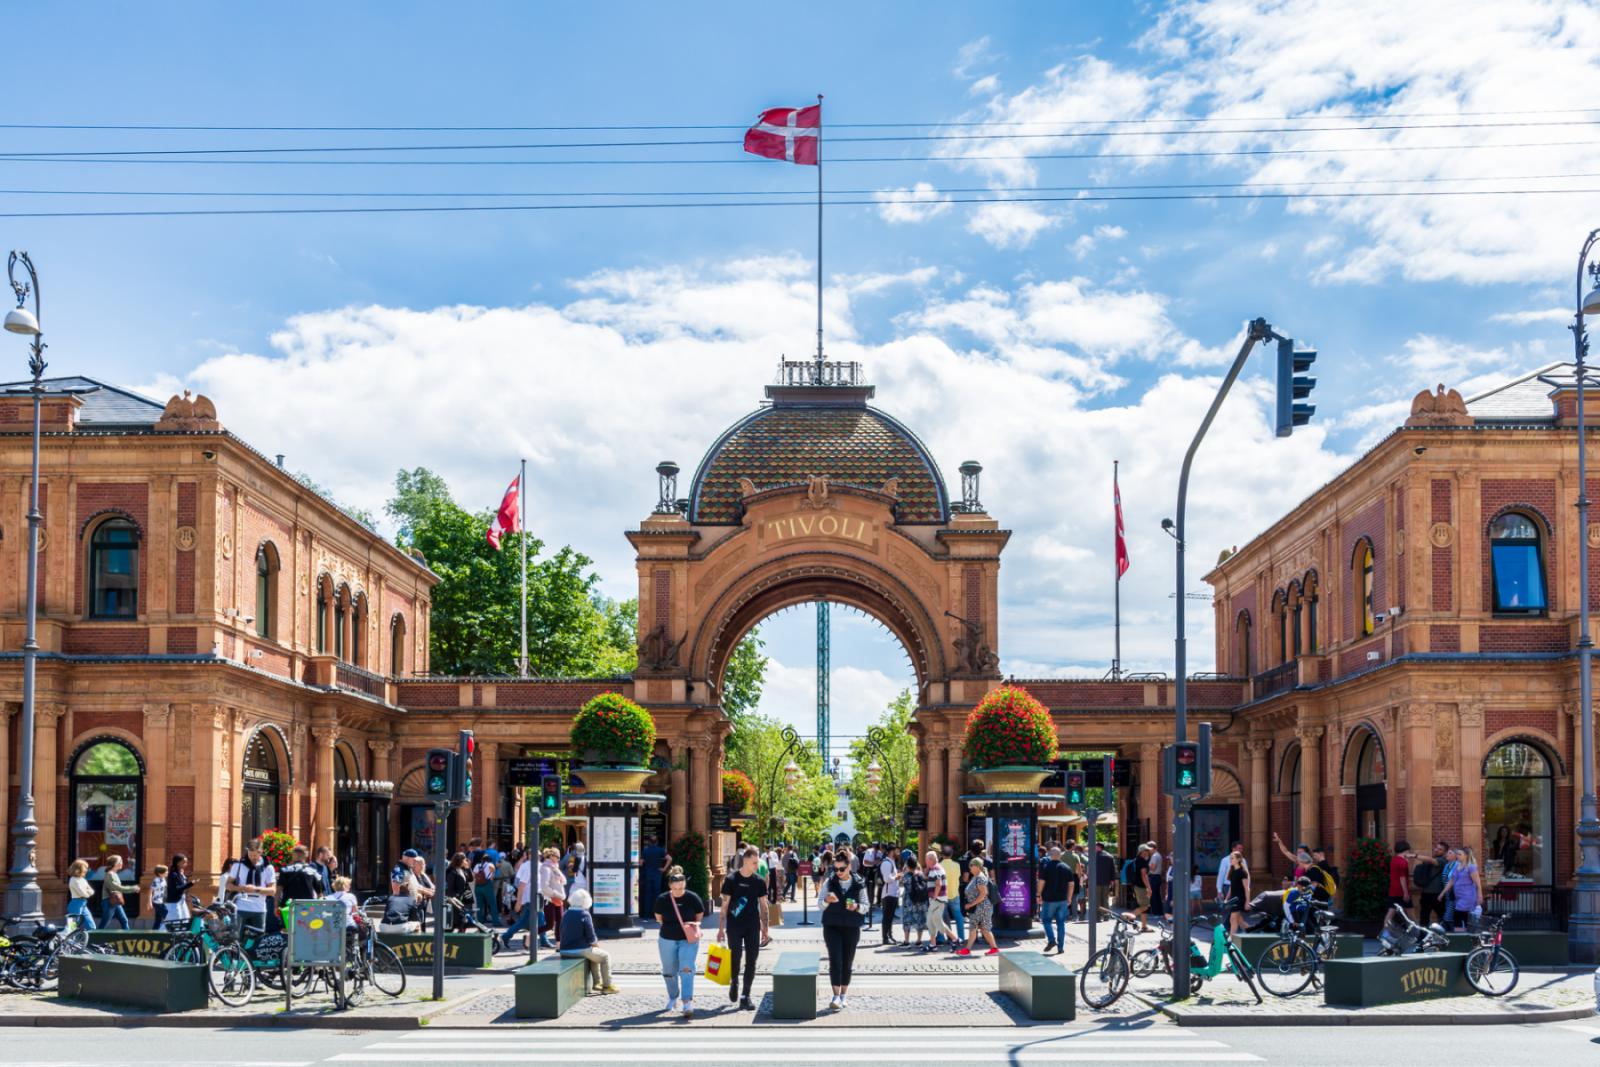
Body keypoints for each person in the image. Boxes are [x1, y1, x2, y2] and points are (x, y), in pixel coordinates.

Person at [718, 845, 769, 1011]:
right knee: (736, 957)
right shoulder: (731, 879)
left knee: (751, 960)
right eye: (754, 862)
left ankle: (745, 995)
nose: (757, 865)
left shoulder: (759, 881)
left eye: (757, 862)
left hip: (752, 925)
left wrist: (765, 928)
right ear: (746, 861)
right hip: (734, 925)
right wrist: (720, 929)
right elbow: (725, 905)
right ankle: (734, 981)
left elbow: (764, 905)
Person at [654, 865, 704, 1018]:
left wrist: (689, 928)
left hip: (688, 940)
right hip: (667, 939)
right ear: (670, 884)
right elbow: (659, 918)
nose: (679, 884)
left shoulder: (692, 897)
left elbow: (699, 915)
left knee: (687, 968)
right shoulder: (662, 899)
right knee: (669, 971)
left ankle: (687, 1001)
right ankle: (673, 996)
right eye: (676, 882)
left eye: (682, 881)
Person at [821, 850, 866, 1009]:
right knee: (835, 960)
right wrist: (826, 900)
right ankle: (835, 996)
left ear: (849, 868)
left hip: (852, 927)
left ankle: (843, 995)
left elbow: (866, 906)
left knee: (847, 962)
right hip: (832, 926)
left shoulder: (859, 883)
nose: (838, 872)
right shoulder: (829, 882)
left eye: (841, 869)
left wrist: (856, 907)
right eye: (836, 869)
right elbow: (820, 904)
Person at [560, 888, 620, 994]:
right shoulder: (584, 914)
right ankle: (607, 985)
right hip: (579, 949)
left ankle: (597, 983)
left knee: (594, 954)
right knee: (605, 956)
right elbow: (591, 937)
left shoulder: (566, 913)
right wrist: (596, 945)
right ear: (586, 901)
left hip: (564, 949)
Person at [958, 855, 1000, 957]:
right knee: (980, 928)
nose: (969, 867)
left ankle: (969, 950)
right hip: (979, 907)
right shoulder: (976, 877)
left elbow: (983, 893)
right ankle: (992, 949)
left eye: (971, 865)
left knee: (981, 928)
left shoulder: (980, 877)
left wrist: (971, 904)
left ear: (977, 866)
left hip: (982, 907)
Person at [1037, 845, 1073, 954]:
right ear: (1060, 855)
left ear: (1050, 855)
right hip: (1062, 899)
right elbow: (1071, 884)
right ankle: (1061, 947)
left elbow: (1041, 882)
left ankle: (1051, 940)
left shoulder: (1046, 867)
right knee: (1061, 923)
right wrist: (1069, 898)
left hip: (1049, 899)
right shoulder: (1067, 867)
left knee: (1046, 920)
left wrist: (1038, 894)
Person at [278, 845, 324, 913]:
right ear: (306, 855)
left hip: (288, 908)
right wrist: (319, 909)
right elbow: (320, 894)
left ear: (293, 855)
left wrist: (276, 906)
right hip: (307, 909)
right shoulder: (313, 871)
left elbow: (279, 890)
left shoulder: (285, 870)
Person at [1414, 842, 1448, 926]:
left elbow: (1432, 860)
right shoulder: (1430, 860)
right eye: (1436, 848)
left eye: (1440, 849)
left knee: (1442, 916)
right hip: (1426, 894)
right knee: (1424, 918)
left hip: (1437, 894)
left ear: (1444, 852)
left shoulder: (1442, 861)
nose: (1437, 850)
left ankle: (1446, 935)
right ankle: (1423, 936)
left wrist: (1415, 856)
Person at [539, 847, 567, 948]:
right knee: (549, 925)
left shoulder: (555, 867)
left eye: (559, 857)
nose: (559, 859)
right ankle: (531, 935)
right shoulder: (546, 868)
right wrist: (555, 895)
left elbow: (564, 881)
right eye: (557, 857)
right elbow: (544, 887)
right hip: (550, 899)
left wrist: (559, 877)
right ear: (551, 856)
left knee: (560, 923)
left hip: (559, 898)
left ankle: (559, 946)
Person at [1449, 845, 1483, 929]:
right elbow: (1452, 880)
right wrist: (1443, 892)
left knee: (1459, 916)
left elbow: (1478, 883)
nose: (1457, 856)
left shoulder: (1471, 867)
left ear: (1466, 856)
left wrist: (1480, 895)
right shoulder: (1457, 866)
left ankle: (1462, 935)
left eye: (1460, 854)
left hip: (1467, 897)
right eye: (1457, 854)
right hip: (1459, 897)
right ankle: (1462, 935)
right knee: (1462, 918)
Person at [940, 846, 966, 944]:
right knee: (958, 917)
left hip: (942, 895)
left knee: (942, 918)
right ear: (951, 854)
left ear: (942, 855)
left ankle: (942, 938)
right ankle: (961, 938)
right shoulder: (957, 865)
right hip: (955, 893)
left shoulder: (939, 866)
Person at [1224, 849, 1251, 936]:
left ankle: (1231, 941)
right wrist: (1227, 898)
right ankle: (1255, 932)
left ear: (1238, 859)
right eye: (1230, 858)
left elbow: (1247, 888)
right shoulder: (1232, 871)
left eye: (1232, 858)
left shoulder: (1243, 872)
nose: (1230, 860)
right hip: (1233, 899)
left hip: (1240, 899)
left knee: (1233, 919)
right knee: (1240, 921)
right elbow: (1231, 887)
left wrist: (1247, 902)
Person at [100, 854, 131, 930]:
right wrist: (131, 889)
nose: (122, 863)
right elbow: (114, 887)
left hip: (115, 901)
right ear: (115, 863)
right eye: (120, 861)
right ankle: (94, 938)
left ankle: (128, 938)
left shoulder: (114, 874)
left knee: (124, 920)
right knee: (105, 922)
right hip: (109, 901)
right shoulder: (110, 874)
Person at [445, 852, 473, 931]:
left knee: (464, 921)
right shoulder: (452, 871)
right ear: (461, 860)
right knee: (455, 921)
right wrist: (455, 898)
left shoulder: (463, 869)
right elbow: (450, 887)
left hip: (464, 897)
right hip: (456, 899)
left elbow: (471, 879)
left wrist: (468, 868)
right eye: (465, 860)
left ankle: (462, 936)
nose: (466, 861)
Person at [878, 847, 901, 944]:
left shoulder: (891, 862)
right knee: (887, 917)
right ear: (891, 852)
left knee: (890, 917)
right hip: (888, 894)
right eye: (897, 851)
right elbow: (887, 879)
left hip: (892, 893)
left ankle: (889, 936)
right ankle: (885, 938)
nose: (898, 853)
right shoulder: (886, 863)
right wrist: (897, 876)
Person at [65, 859, 96, 932]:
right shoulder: (73, 879)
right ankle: (68, 940)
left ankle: (91, 939)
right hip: (76, 903)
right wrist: (87, 892)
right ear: (79, 869)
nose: (86, 870)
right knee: (72, 927)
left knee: (91, 925)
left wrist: (87, 892)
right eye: (85, 867)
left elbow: (92, 891)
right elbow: (83, 893)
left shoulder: (83, 879)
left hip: (83, 903)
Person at [473, 849, 500, 928]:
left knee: (479, 905)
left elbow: (474, 875)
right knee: (492, 904)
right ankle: (495, 921)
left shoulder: (477, 865)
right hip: (487, 885)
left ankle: (480, 922)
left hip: (478, 886)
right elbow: (493, 872)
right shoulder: (490, 864)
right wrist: (491, 875)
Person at [165, 854, 194, 929]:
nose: (186, 864)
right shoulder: (173, 874)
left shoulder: (180, 873)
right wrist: (190, 884)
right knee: (175, 922)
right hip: (174, 903)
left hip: (181, 901)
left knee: (185, 919)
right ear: (178, 863)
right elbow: (177, 888)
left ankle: (183, 939)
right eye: (184, 862)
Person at [640, 837, 667, 913]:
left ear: (649, 842)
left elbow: (641, 863)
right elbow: (670, 858)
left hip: (648, 873)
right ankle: (657, 913)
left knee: (647, 894)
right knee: (657, 893)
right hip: (657, 874)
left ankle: (646, 914)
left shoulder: (645, 850)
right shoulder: (661, 850)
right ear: (657, 842)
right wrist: (664, 868)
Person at [1217, 841, 1247, 906]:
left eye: (1242, 848)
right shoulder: (1225, 860)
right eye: (1239, 848)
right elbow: (1221, 876)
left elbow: (1246, 875)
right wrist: (1219, 890)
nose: (1241, 850)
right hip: (1227, 887)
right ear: (1233, 849)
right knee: (1232, 908)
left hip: (1240, 887)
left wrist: (1246, 888)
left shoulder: (1243, 860)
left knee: (1238, 909)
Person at [1387, 840, 1413, 915]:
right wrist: (1406, 893)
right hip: (1401, 891)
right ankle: (1415, 926)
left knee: (1390, 912)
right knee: (1411, 914)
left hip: (1393, 890)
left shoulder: (1393, 860)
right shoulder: (1403, 862)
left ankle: (1385, 927)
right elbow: (1402, 878)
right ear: (1406, 850)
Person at [1131, 843, 1153, 932]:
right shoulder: (1142, 861)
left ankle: (1144, 927)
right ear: (1141, 851)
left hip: (1137, 886)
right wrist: (1149, 888)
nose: (1148, 852)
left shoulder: (1137, 860)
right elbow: (1144, 875)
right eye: (1146, 850)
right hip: (1141, 887)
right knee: (1145, 906)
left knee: (1143, 906)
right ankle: (1128, 916)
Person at [1146, 842, 1165, 919]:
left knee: (1153, 895)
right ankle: (1159, 912)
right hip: (1157, 877)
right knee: (1156, 895)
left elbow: (1153, 868)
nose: (1148, 851)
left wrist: (1146, 865)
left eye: (1148, 849)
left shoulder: (1154, 856)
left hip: (1153, 876)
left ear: (1152, 848)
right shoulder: (1158, 855)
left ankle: (1156, 913)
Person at [149, 863, 169, 928]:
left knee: (158, 919)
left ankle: (154, 933)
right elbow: (150, 891)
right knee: (167, 915)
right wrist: (149, 902)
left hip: (162, 901)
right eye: (166, 871)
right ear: (160, 873)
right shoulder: (156, 880)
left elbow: (164, 891)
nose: (167, 872)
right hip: (157, 902)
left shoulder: (164, 880)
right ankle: (170, 931)